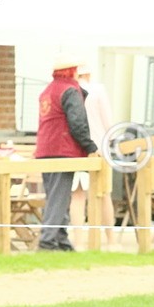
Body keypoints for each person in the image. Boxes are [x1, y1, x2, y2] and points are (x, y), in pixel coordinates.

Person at [35, 56, 97, 251]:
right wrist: (90, 147)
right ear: (72, 71)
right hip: (62, 149)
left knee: (55, 195)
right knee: (59, 197)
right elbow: (77, 123)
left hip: (45, 149)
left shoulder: (48, 90)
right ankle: (47, 241)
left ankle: (60, 241)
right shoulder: (70, 90)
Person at [69, 64, 116, 248]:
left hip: (77, 148)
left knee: (77, 195)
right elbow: (108, 122)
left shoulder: (70, 91)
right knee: (104, 194)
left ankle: (78, 241)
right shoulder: (98, 89)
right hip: (100, 147)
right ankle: (110, 240)